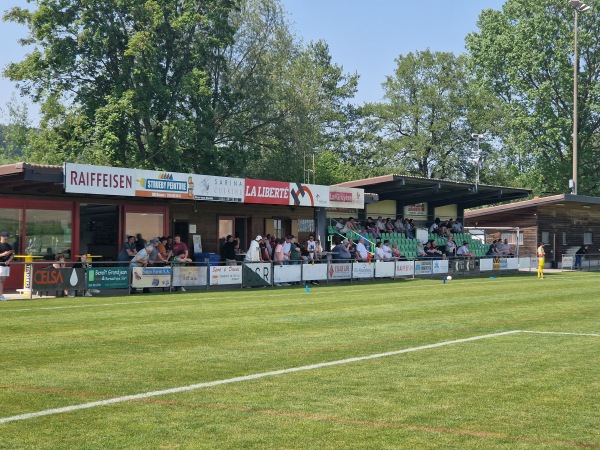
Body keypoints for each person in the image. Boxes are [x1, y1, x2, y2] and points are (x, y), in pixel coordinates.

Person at [0, 231, 14, 301]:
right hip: (0, 264)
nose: (5, 239)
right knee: (1, 280)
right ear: (1, 237)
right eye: (4, 238)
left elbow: (12, 255)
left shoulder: (9, 246)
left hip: (7, 265)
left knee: (3, 280)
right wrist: (3, 254)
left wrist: (9, 260)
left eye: (7, 238)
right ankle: (0, 295)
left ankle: (1, 295)